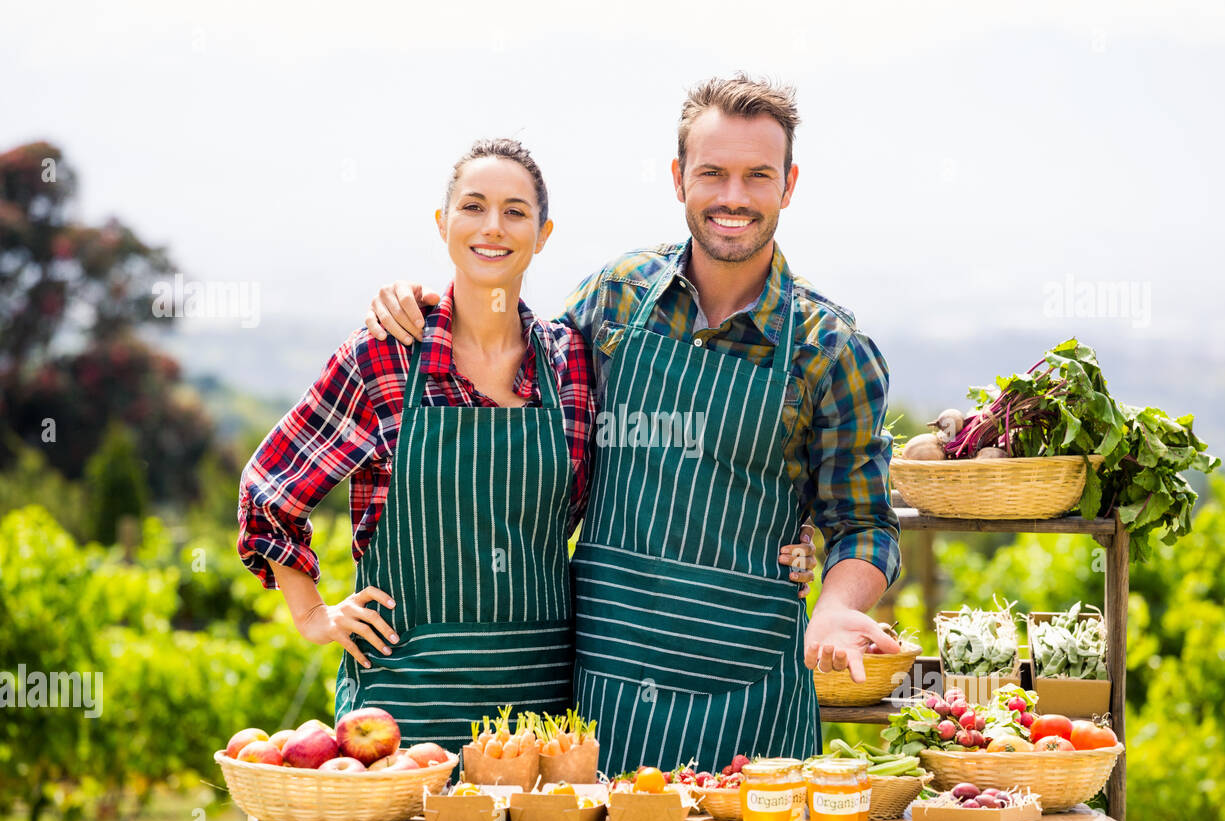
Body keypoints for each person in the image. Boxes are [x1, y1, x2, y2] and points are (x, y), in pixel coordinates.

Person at [365, 74, 899, 775]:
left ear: (788, 185)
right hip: (604, 694)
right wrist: (424, 304)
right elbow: (510, 359)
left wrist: (834, 607)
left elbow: (864, 523)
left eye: (757, 176)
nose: (733, 197)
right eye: (712, 173)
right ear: (680, 179)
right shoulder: (617, 298)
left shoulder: (830, 349)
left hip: (752, 697)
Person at [238, 137, 815, 756]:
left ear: (542, 235)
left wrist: (790, 528)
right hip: (403, 708)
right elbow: (271, 490)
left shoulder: (570, 362)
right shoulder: (385, 355)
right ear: (443, 224)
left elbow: (664, 455)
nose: (493, 227)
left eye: (515, 212)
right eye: (473, 207)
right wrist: (312, 615)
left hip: (539, 718)